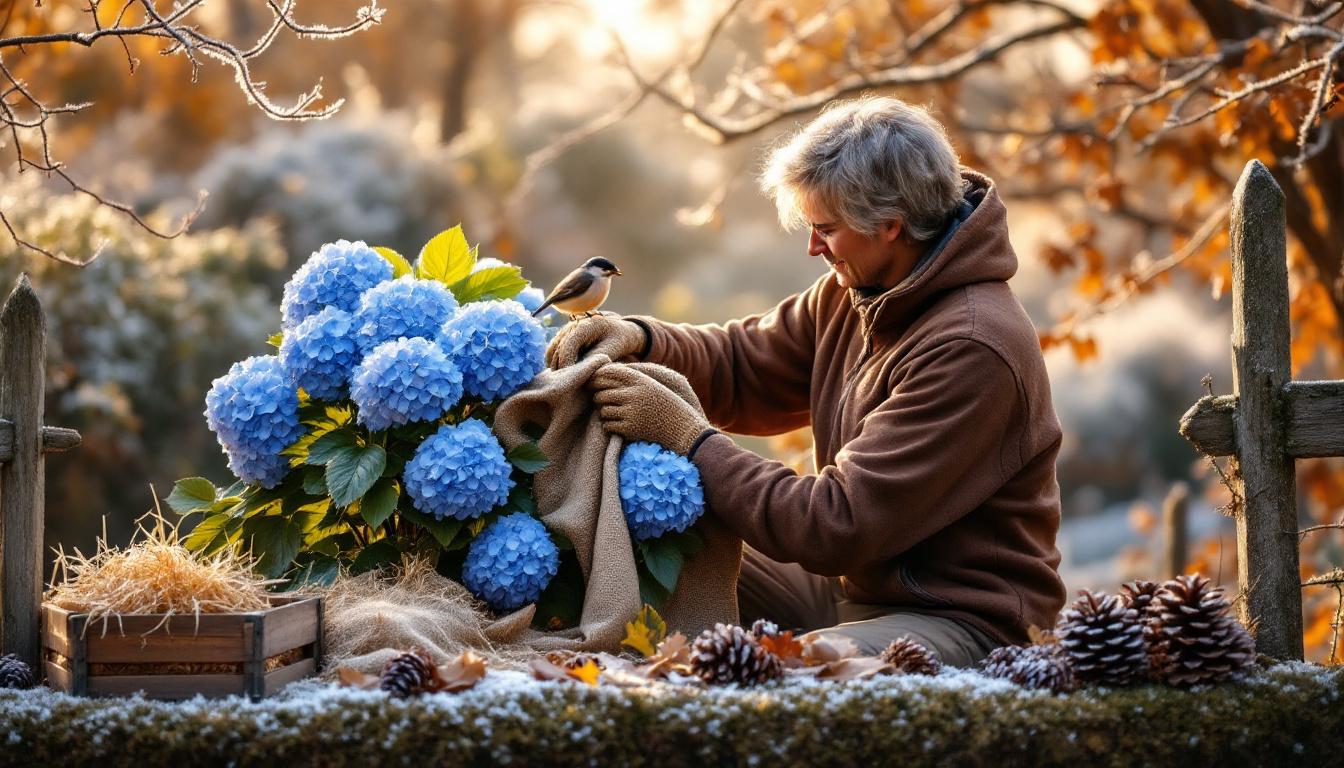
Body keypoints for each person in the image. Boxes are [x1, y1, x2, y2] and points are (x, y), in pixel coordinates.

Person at [547, 96, 1066, 666]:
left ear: (890, 224)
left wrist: (686, 436)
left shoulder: (971, 346)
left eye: (826, 229)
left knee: (796, 669)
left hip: (960, 617)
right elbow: (745, 366)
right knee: (642, 543)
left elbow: (834, 524)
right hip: (850, 590)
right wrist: (643, 338)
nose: (813, 247)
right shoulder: (861, 288)